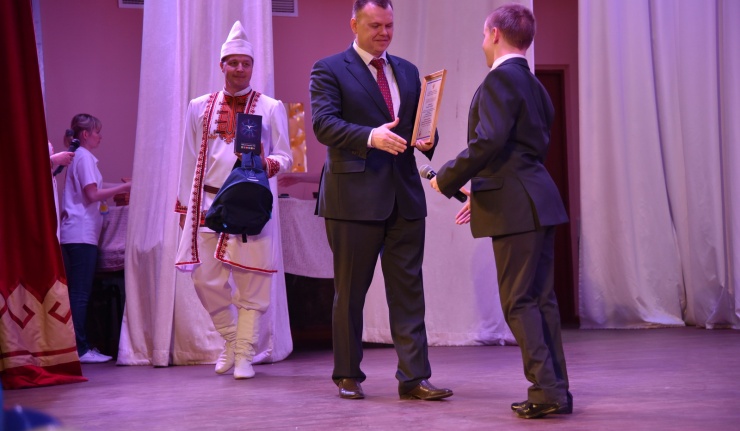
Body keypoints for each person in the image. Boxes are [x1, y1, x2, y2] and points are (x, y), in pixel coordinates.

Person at [430, 3, 572, 419]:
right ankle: (556, 390)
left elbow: (489, 141)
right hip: (539, 200)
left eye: (482, 35)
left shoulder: (499, 80)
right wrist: (483, 190)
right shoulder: (535, 86)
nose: (481, 43)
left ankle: (546, 391)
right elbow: (519, 152)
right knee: (541, 301)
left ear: (494, 34)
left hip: (518, 208)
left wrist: (448, 177)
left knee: (519, 302)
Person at [309, 0, 452, 401]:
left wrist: (428, 138)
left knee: (409, 292)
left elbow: (417, 129)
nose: (384, 33)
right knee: (351, 292)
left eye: (389, 25)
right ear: (354, 24)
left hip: (404, 197)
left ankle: (414, 377)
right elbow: (323, 124)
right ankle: (347, 374)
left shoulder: (406, 71)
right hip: (352, 199)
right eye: (375, 25)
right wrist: (371, 136)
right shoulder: (329, 69)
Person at [175, 21, 292, 380]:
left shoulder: (270, 107)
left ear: (253, 66)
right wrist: (184, 208)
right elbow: (189, 158)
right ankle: (230, 339)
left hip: (251, 205)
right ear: (222, 65)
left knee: (253, 283)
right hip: (209, 206)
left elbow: (286, 157)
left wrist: (265, 163)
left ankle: (244, 355)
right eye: (234, 62)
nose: (240, 69)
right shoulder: (199, 106)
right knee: (205, 280)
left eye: (246, 63)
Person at [60, 114, 132, 364]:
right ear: (85, 134)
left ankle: (80, 346)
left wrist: (122, 186)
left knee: (79, 292)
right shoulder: (84, 157)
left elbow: (94, 190)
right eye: (97, 132)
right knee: (80, 293)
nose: (100, 136)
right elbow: (92, 195)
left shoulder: (80, 157)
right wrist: (125, 188)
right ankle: (80, 349)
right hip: (80, 234)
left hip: (76, 233)